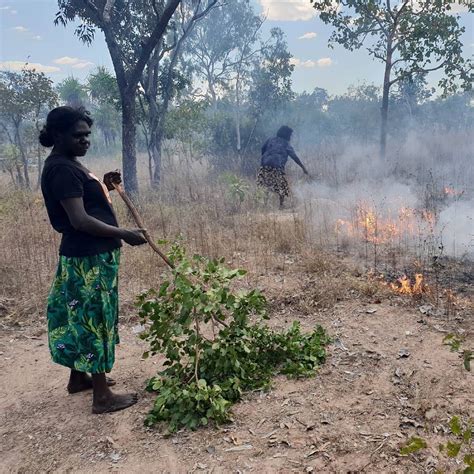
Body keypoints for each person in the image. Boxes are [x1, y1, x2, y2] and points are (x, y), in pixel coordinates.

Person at [39, 106, 147, 414]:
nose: (85, 140)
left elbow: (85, 200)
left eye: (87, 134)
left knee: (81, 314)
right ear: (57, 135)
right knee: (94, 319)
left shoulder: (68, 164)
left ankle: (79, 379)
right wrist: (124, 232)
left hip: (88, 255)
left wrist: (104, 183)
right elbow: (80, 220)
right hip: (88, 257)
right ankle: (101, 397)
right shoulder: (61, 168)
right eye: (78, 135)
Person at [257, 125, 309, 209]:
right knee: (282, 185)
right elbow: (294, 157)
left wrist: (264, 159)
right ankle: (281, 205)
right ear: (287, 135)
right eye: (290, 135)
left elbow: (262, 149)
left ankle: (264, 205)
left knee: (266, 184)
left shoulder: (270, 139)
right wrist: (303, 168)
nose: (291, 137)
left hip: (264, 165)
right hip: (277, 166)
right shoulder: (286, 144)